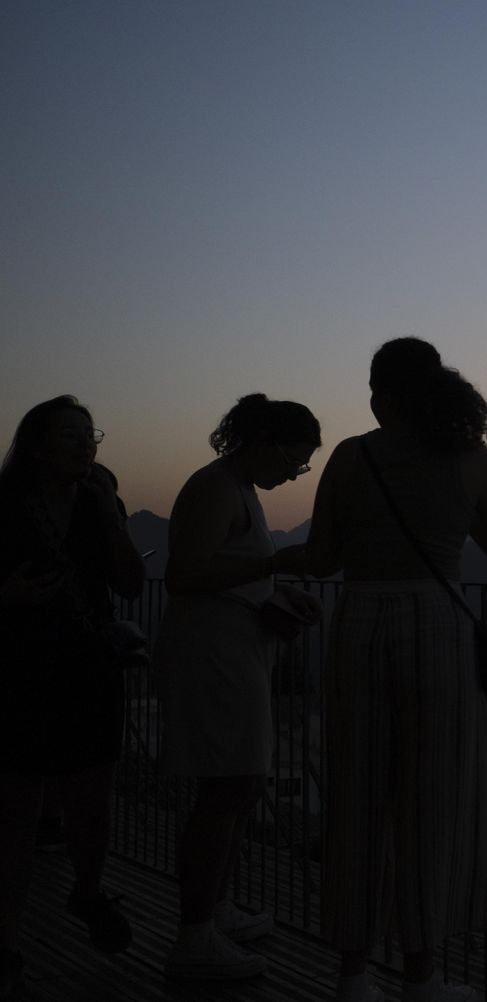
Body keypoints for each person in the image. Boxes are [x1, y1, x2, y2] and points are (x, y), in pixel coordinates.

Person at [295, 337, 487, 1002]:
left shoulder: (351, 456)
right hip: (437, 629)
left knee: (356, 798)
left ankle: (353, 974)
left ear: (378, 395)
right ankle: (422, 977)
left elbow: (321, 558)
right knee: (433, 802)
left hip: (361, 623)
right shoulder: (467, 455)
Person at [152, 394, 324, 980]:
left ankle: (215, 912)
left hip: (236, 655)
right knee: (225, 792)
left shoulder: (237, 487)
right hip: (214, 660)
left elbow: (222, 575)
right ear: (264, 441)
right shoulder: (215, 488)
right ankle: (194, 935)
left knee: (238, 788)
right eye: (295, 461)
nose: (294, 474)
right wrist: (274, 569)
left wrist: (275, 597)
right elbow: (184, 576)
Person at [0, 397, 146, 998]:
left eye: (91, 435)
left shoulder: (97, 503)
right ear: (36, 445)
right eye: (71, 435)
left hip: (86, 672)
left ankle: (87, 889)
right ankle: (5, 948)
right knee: (12, 814)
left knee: (91, 804)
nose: (87, 445)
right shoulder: (4, 505)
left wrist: (112, 518)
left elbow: (132, 585)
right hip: (15, 669)